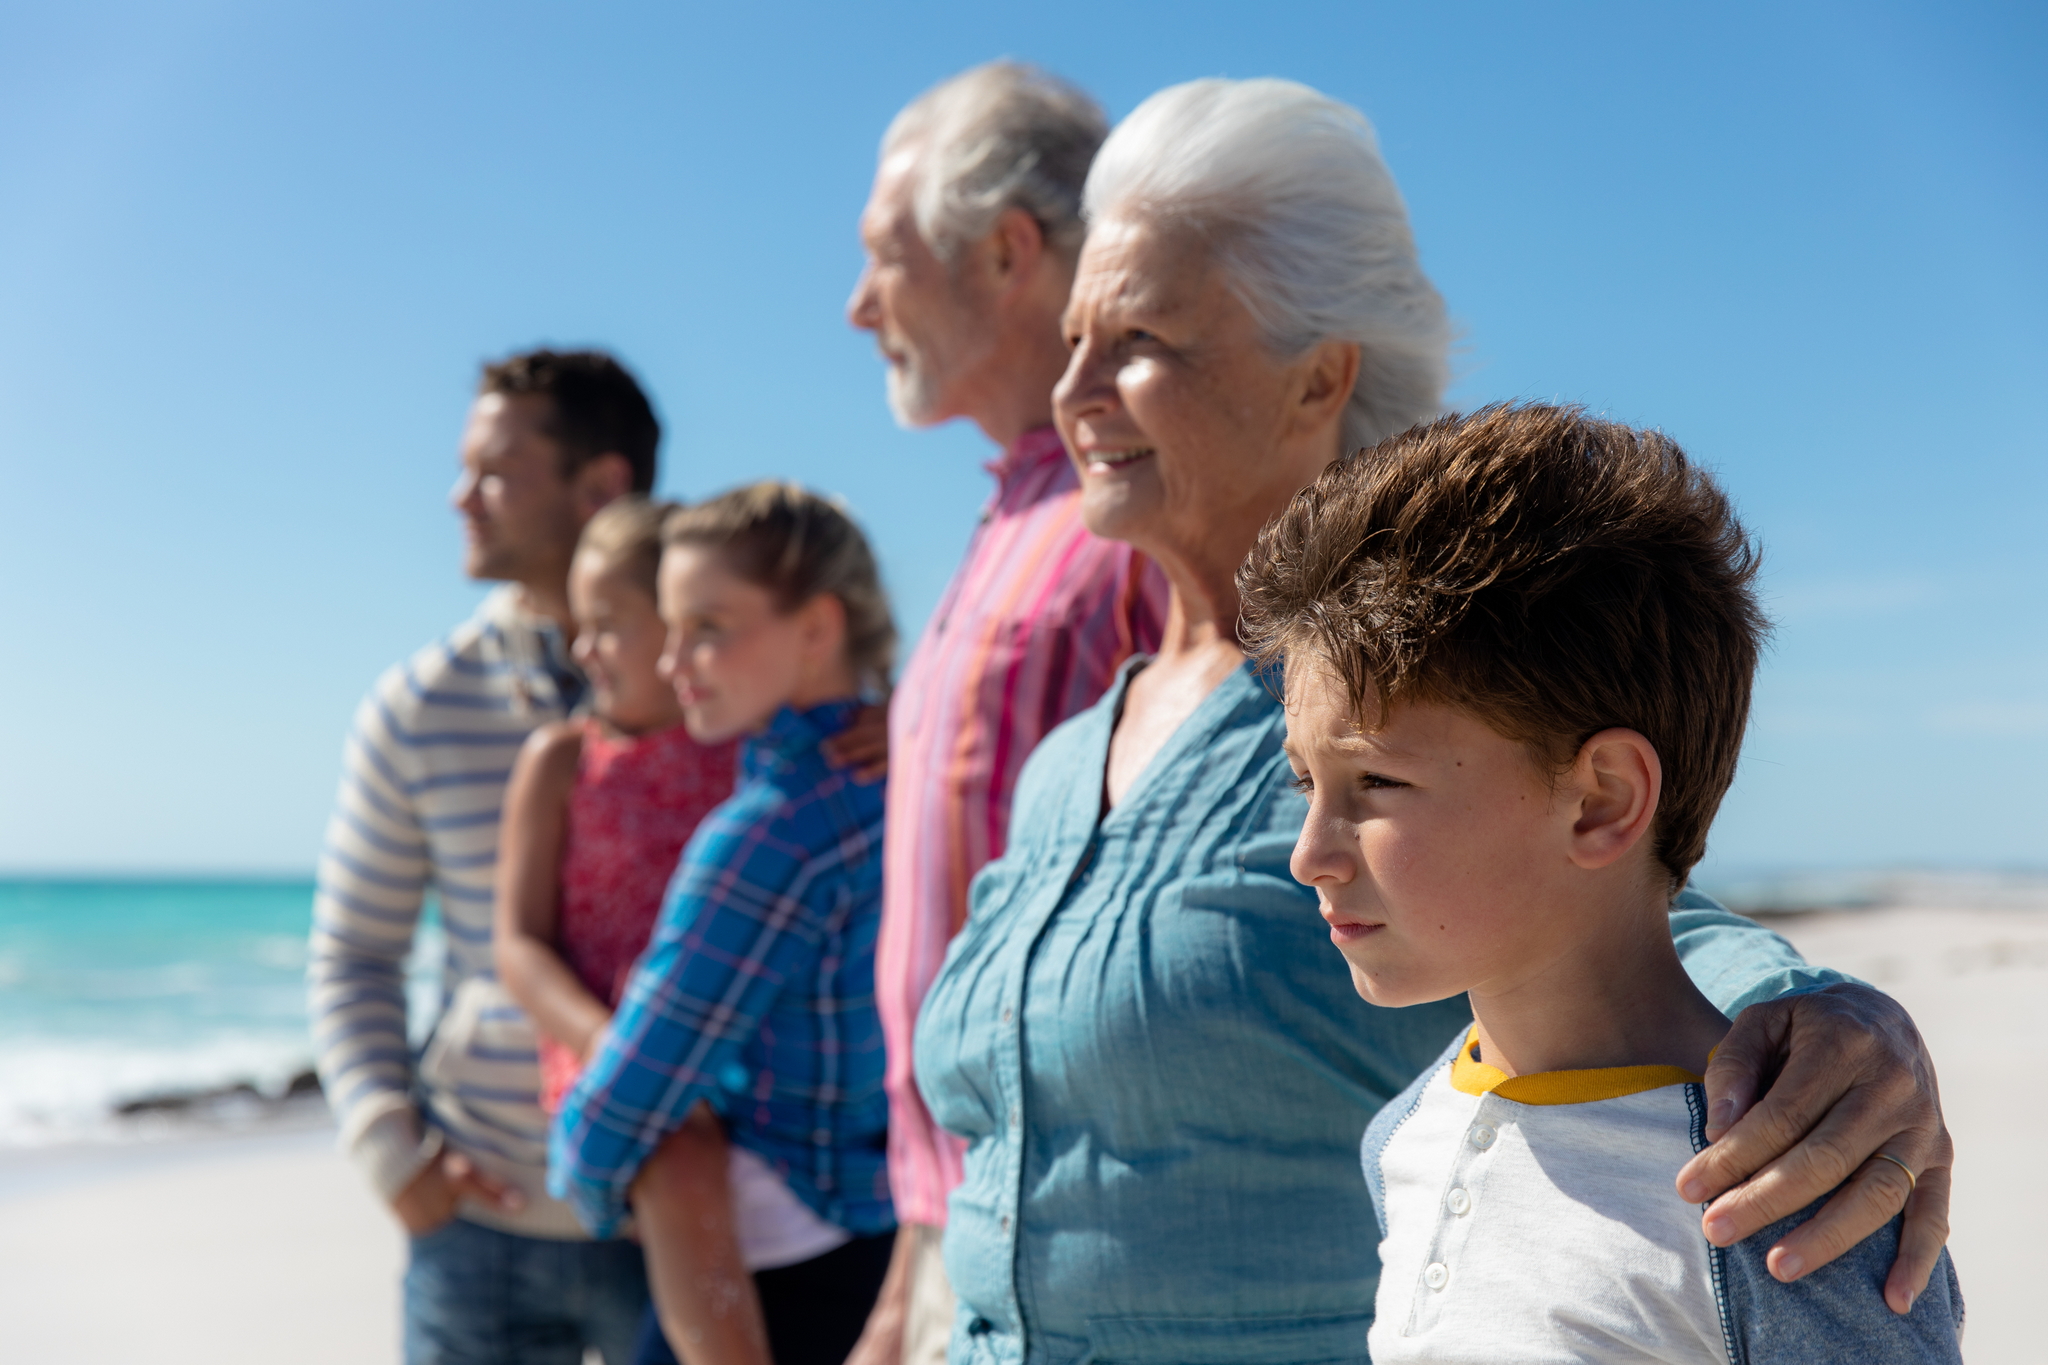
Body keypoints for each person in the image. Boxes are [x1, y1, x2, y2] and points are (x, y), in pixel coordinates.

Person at [912, 78, 1956, 1365]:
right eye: (1069, 338)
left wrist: (1830, 1030)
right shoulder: (1075, 751)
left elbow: (1619, 923)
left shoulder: (1433, 718)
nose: (1071, 389)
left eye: (1137, 341)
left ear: (1320, 378)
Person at [1246, 403, 1963, 1364]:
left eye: (1375, 780)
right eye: (1307, 781)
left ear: (1601, 801)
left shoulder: (1786, 1199)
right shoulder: (1406, 1134)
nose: (1310, 852)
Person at [843, 62, 1168, 1365]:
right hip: (967, 1226)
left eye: (884, 256)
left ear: (1007, 251)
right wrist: (911, 1267)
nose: (859, 305)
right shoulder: (1016, 516)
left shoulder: (1146, 511)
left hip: (1082, 1247)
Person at [309, 348, 661, 1362]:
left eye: (494, 472)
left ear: (601, 484)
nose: (459, 498)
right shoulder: (418, 706)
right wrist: (390, 1151)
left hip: (698, 1208)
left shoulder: (729, 676)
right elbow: (353, 954)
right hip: (479, 1225)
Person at [551, 483, 898, 1365]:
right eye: (669, 629)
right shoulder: (920, 774)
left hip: (769, 1271)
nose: (675, 662)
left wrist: (588, 1178)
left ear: (818, 627)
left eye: (707, 627)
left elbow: (624, 1103)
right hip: (886, 1241)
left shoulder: (773, 829)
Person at [493, 495, 737, 1114]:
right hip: (609, 1054)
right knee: (680, 1162)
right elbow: (519, 945)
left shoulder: (754, 744)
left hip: (742, 1053)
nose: (581, 650)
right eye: (579, 626)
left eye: (606, 625)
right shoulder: (562, 762)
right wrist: (610, 1048)